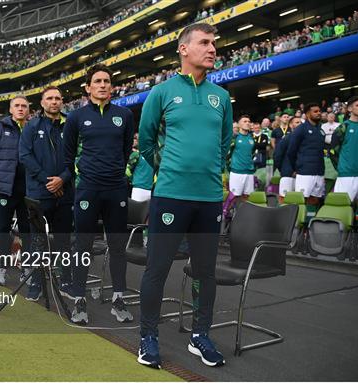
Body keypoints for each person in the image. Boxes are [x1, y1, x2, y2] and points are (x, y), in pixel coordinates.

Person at [137, 23, 232, 369]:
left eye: (214, 44)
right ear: (184, 49)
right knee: (157, 270)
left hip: (208, 199)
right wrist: (170, 169)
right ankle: (148, 337)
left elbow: (224, 143)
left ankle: (200, 335)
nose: (212, 49)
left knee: (205, 272)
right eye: (205, 43)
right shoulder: (161, 93)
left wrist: (205, 173)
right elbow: (145, 140)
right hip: (170, 196)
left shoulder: (220, 97)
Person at [63, 63, 135, 325]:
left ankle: (118, 298)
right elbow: (67, 155)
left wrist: (113, 171)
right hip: (88, 189)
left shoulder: (124, 115)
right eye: (97, 81)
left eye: (107, 81)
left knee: (117, 246)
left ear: (112, 86)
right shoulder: (76, 117)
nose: (103, 85)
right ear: (87, 87)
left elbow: (126, 150)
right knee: (82, 245)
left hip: (116, 188)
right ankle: (79, 300)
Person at [20, 86, 74, 300]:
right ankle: (36, 283)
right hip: (39, 193)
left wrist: (63, 179)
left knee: (63, 240)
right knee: (37, 241)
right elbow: (24, 156)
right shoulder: (31, 126)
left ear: (62, 102)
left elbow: (80, 154)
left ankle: (66, 281)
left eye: (58, 98)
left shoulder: (71, 125)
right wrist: (48, 181)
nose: (54, 102)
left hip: (66, 192)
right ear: (42, 103)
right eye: (49, 98)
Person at [0, 96, 31, 285]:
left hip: (27, 190)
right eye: (17, 106)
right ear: (11, 109)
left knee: (27, 231)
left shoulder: (32, 129)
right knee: (3, 229)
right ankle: (0, 271)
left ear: (28, 110)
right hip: (5, 189)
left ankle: (26, 269)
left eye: (24, 106)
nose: (20, 109)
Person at [331, 96, 358, 221]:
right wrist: (340, 168)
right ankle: (342, 236)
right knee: (343, 205)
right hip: (347, 175)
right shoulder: (343, 127)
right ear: (349, 109)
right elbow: (333, 151)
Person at [287, 103, 325, 219]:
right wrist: (296, 167)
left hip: (319, 171)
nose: (319, 113)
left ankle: (308, 227)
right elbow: (291, 151)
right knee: (301, 201)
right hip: (305, 172)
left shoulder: (320, 129)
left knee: (314, 200)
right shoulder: (300, 129)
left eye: (319, 111)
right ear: (308, 113)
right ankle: (297, 227)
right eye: (315, 111)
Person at [228, 115, 255, 201]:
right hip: (237, 171)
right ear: (239, 124)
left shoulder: (251, 138)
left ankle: (245, 214)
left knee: (248, 197)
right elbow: (227, 154)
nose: (247, 123)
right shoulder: (233, 138)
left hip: (249, 172)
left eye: (249, 121)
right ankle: (233, 214)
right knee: (234, 197)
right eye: (245, 121)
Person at [274, 116, 301, 202]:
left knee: (298, 200)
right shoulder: (286, 138)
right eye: (297, 122)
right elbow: (277, 155)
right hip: (287, 174)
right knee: (284, 200)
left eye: (301, 122)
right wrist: (283, 169)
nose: (300, 124)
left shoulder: (303, 139)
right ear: (291, 125)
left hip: (301, 174)